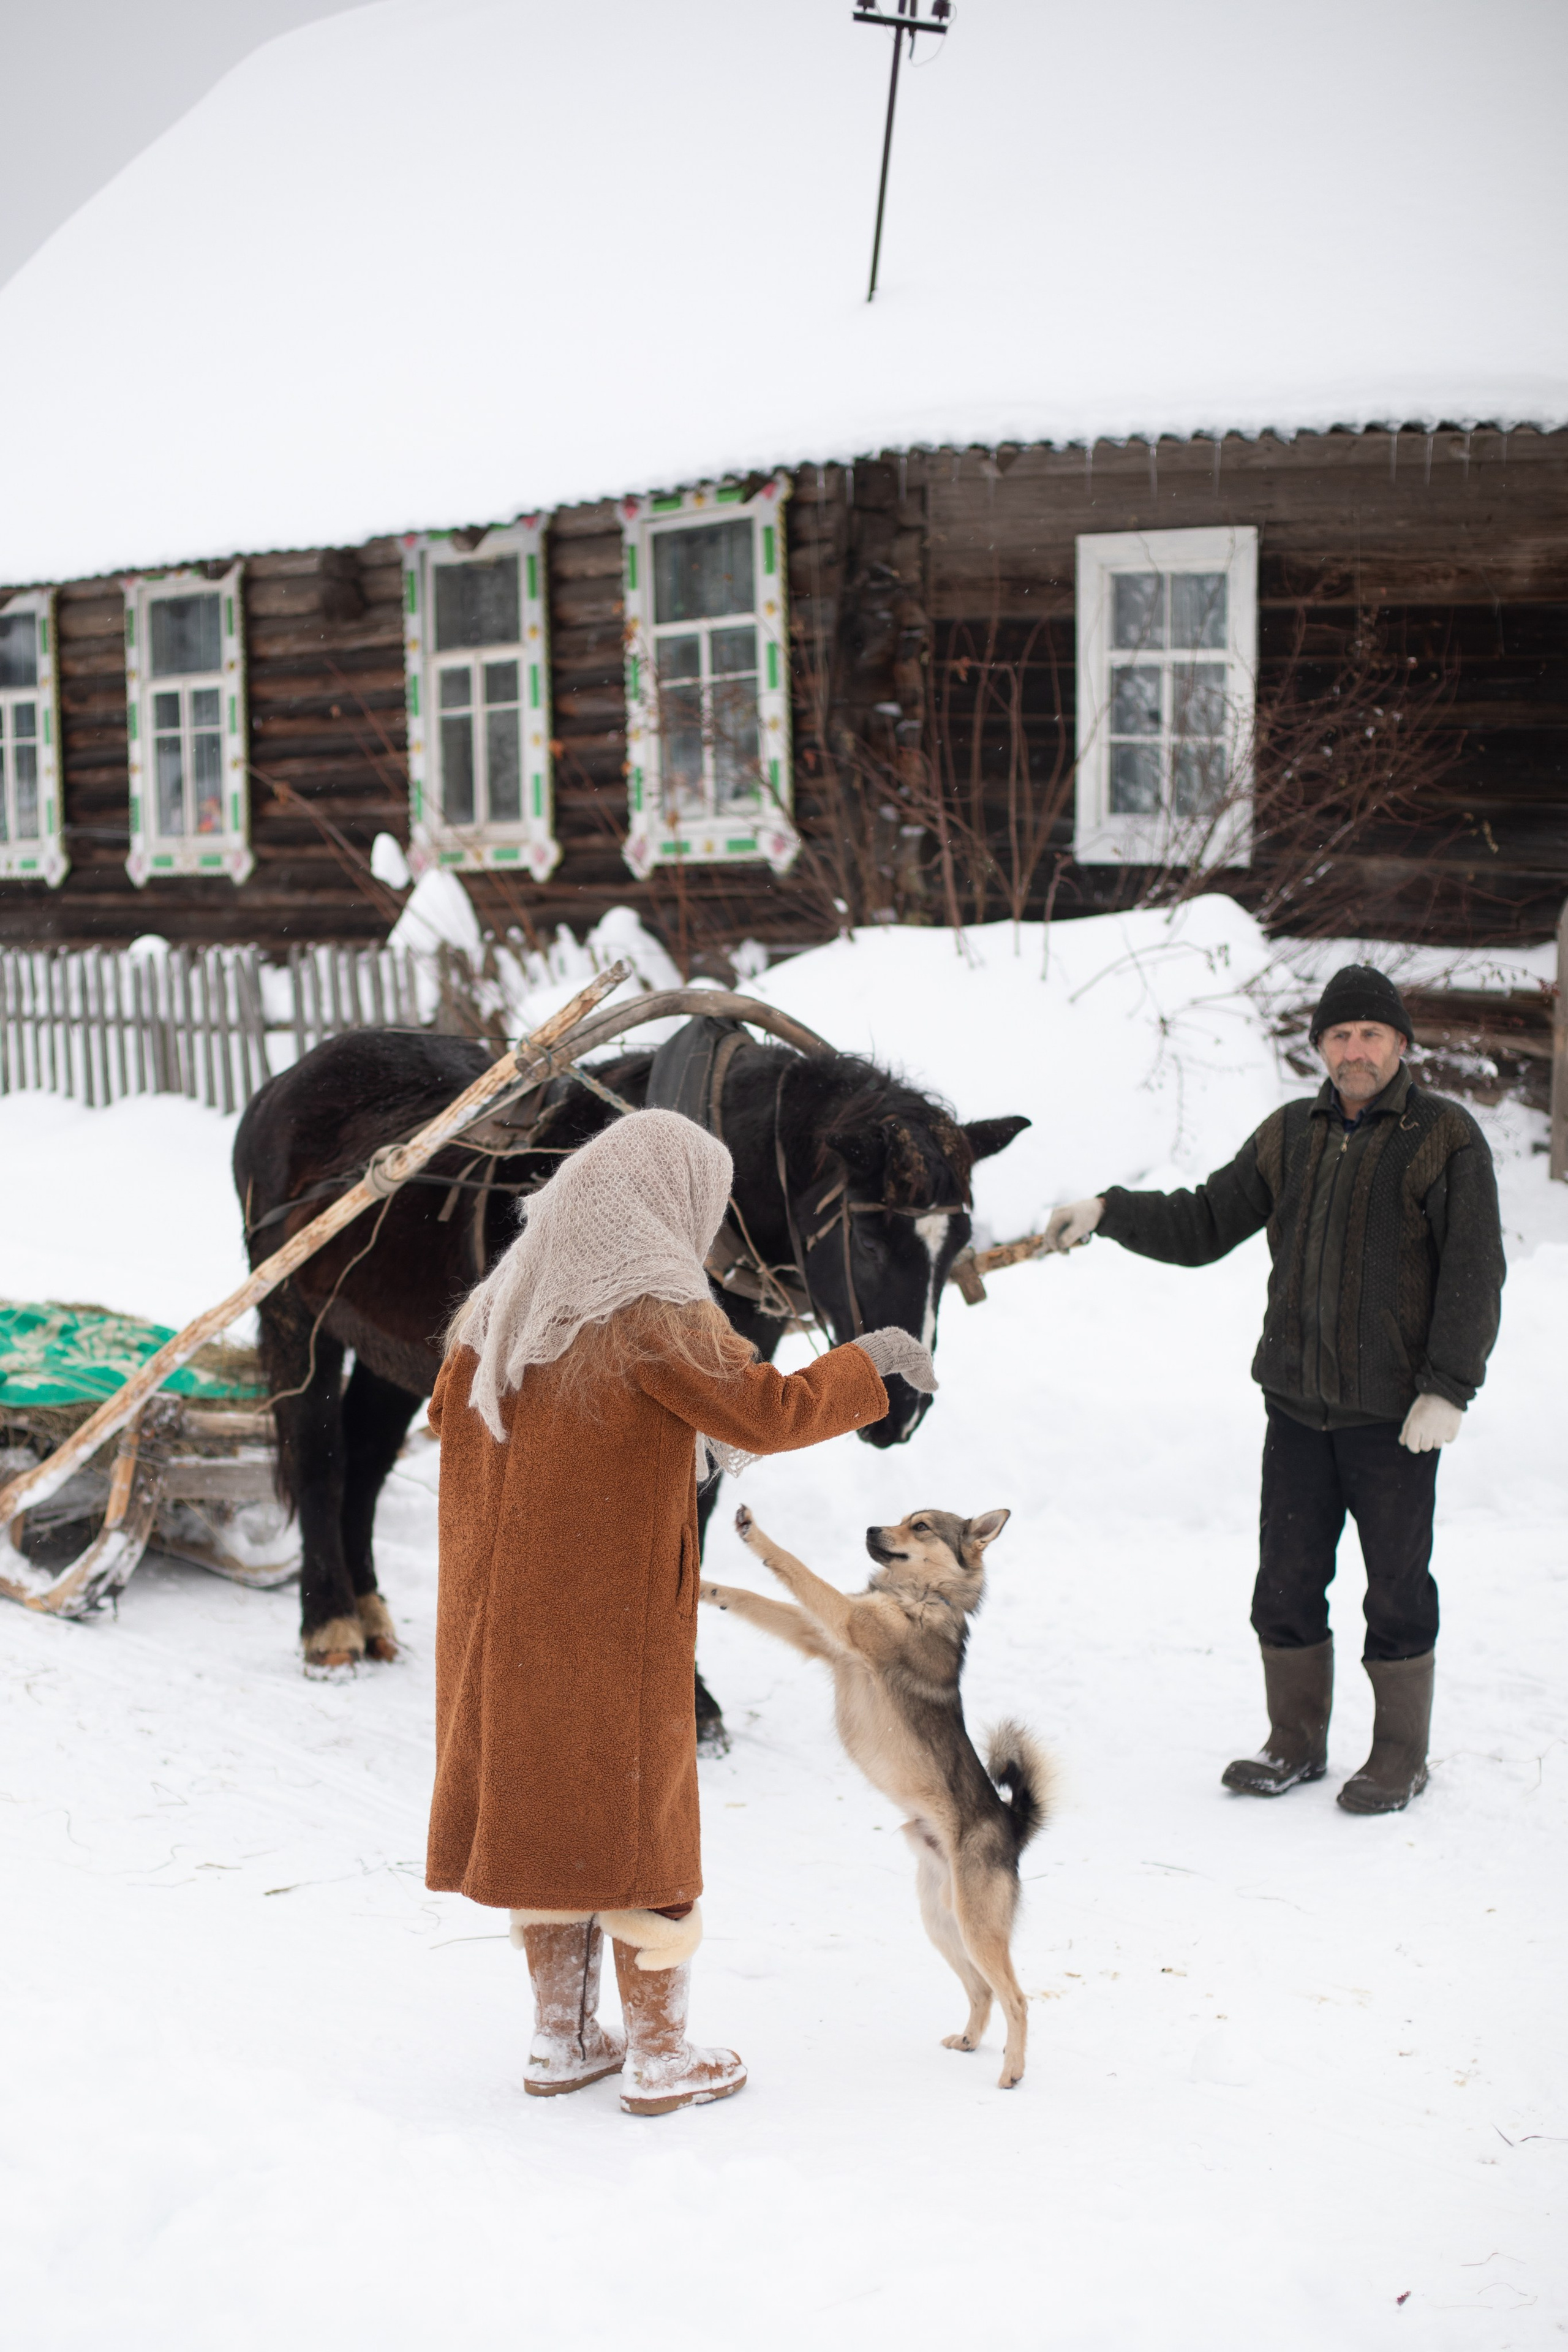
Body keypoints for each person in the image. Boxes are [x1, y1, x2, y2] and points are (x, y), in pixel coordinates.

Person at [425, 1106, 936, 2114]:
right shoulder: (652, 1307)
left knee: (547, 1808)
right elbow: (764, 1411)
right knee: (636, 1810)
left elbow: (451, 1418)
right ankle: (661, 2058)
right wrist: (872, 1363)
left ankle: (560, 2039)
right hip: (608, 1616)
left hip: (497, 1625)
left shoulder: (500, 1301)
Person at [1042, 964, 1505, 1816]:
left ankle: (1400, 1755)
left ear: (1401, 1044)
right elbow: (1204, 1220)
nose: (1354, 1050)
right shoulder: (1290, 1133)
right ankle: (1293, 1740)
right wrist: (1110, 1211)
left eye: (1370, 1034)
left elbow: (1475, 1272)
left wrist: (1449, 1389)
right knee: (1286, 1582)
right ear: (1320, 1049)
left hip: (1395, 1419)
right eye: (1339, 1036)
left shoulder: (1445, 1137)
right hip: (1295, 1410)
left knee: (1397, 1588)